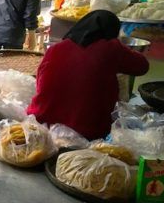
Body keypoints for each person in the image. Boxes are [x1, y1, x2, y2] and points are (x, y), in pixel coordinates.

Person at [27, 11, 148, 140]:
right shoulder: (110, 47)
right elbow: (142, 66)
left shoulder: (56, 48)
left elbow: (40, 81)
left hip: (41, 121)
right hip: (87, 130)